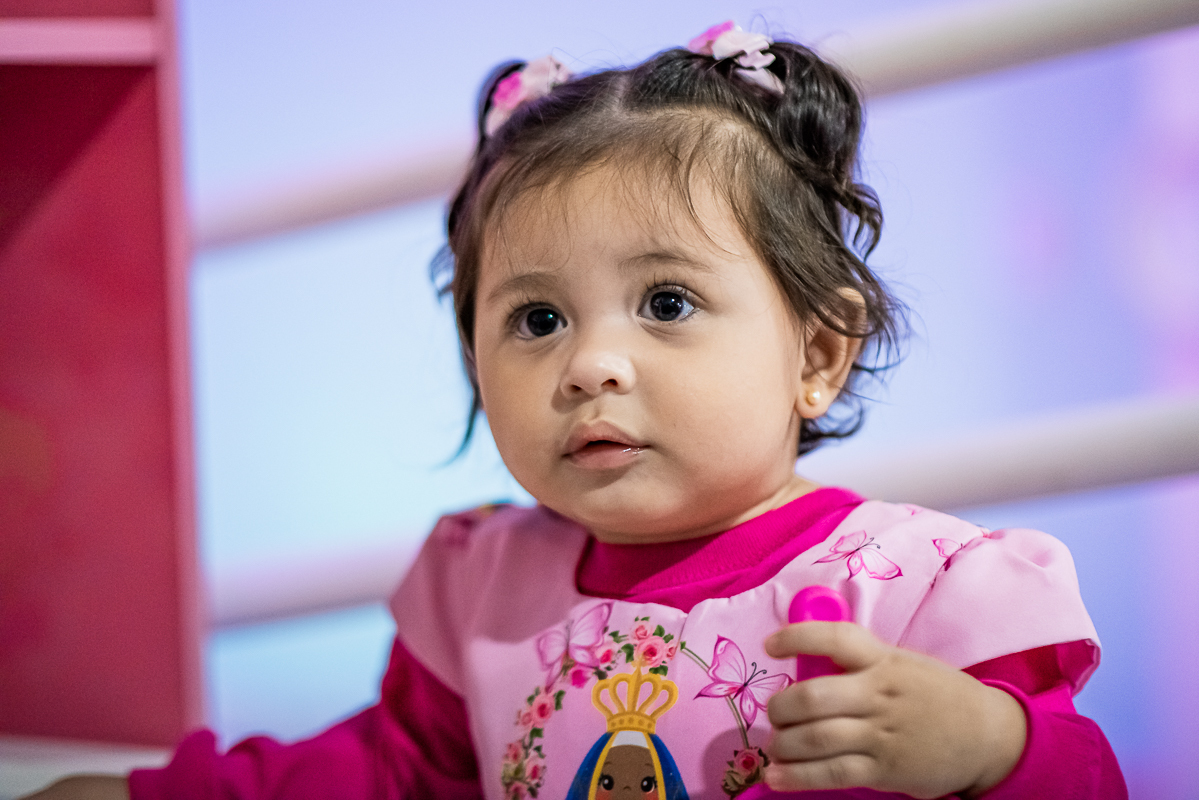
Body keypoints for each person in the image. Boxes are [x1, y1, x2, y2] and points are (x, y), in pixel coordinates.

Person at [28, 22, 1127, 800]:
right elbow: (390, 773)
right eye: (537, 318)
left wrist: (990, 745)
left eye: (666, 303)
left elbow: (1089, 778)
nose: (590, 364)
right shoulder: (481, 589)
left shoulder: (917, 590)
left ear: (818, 353)